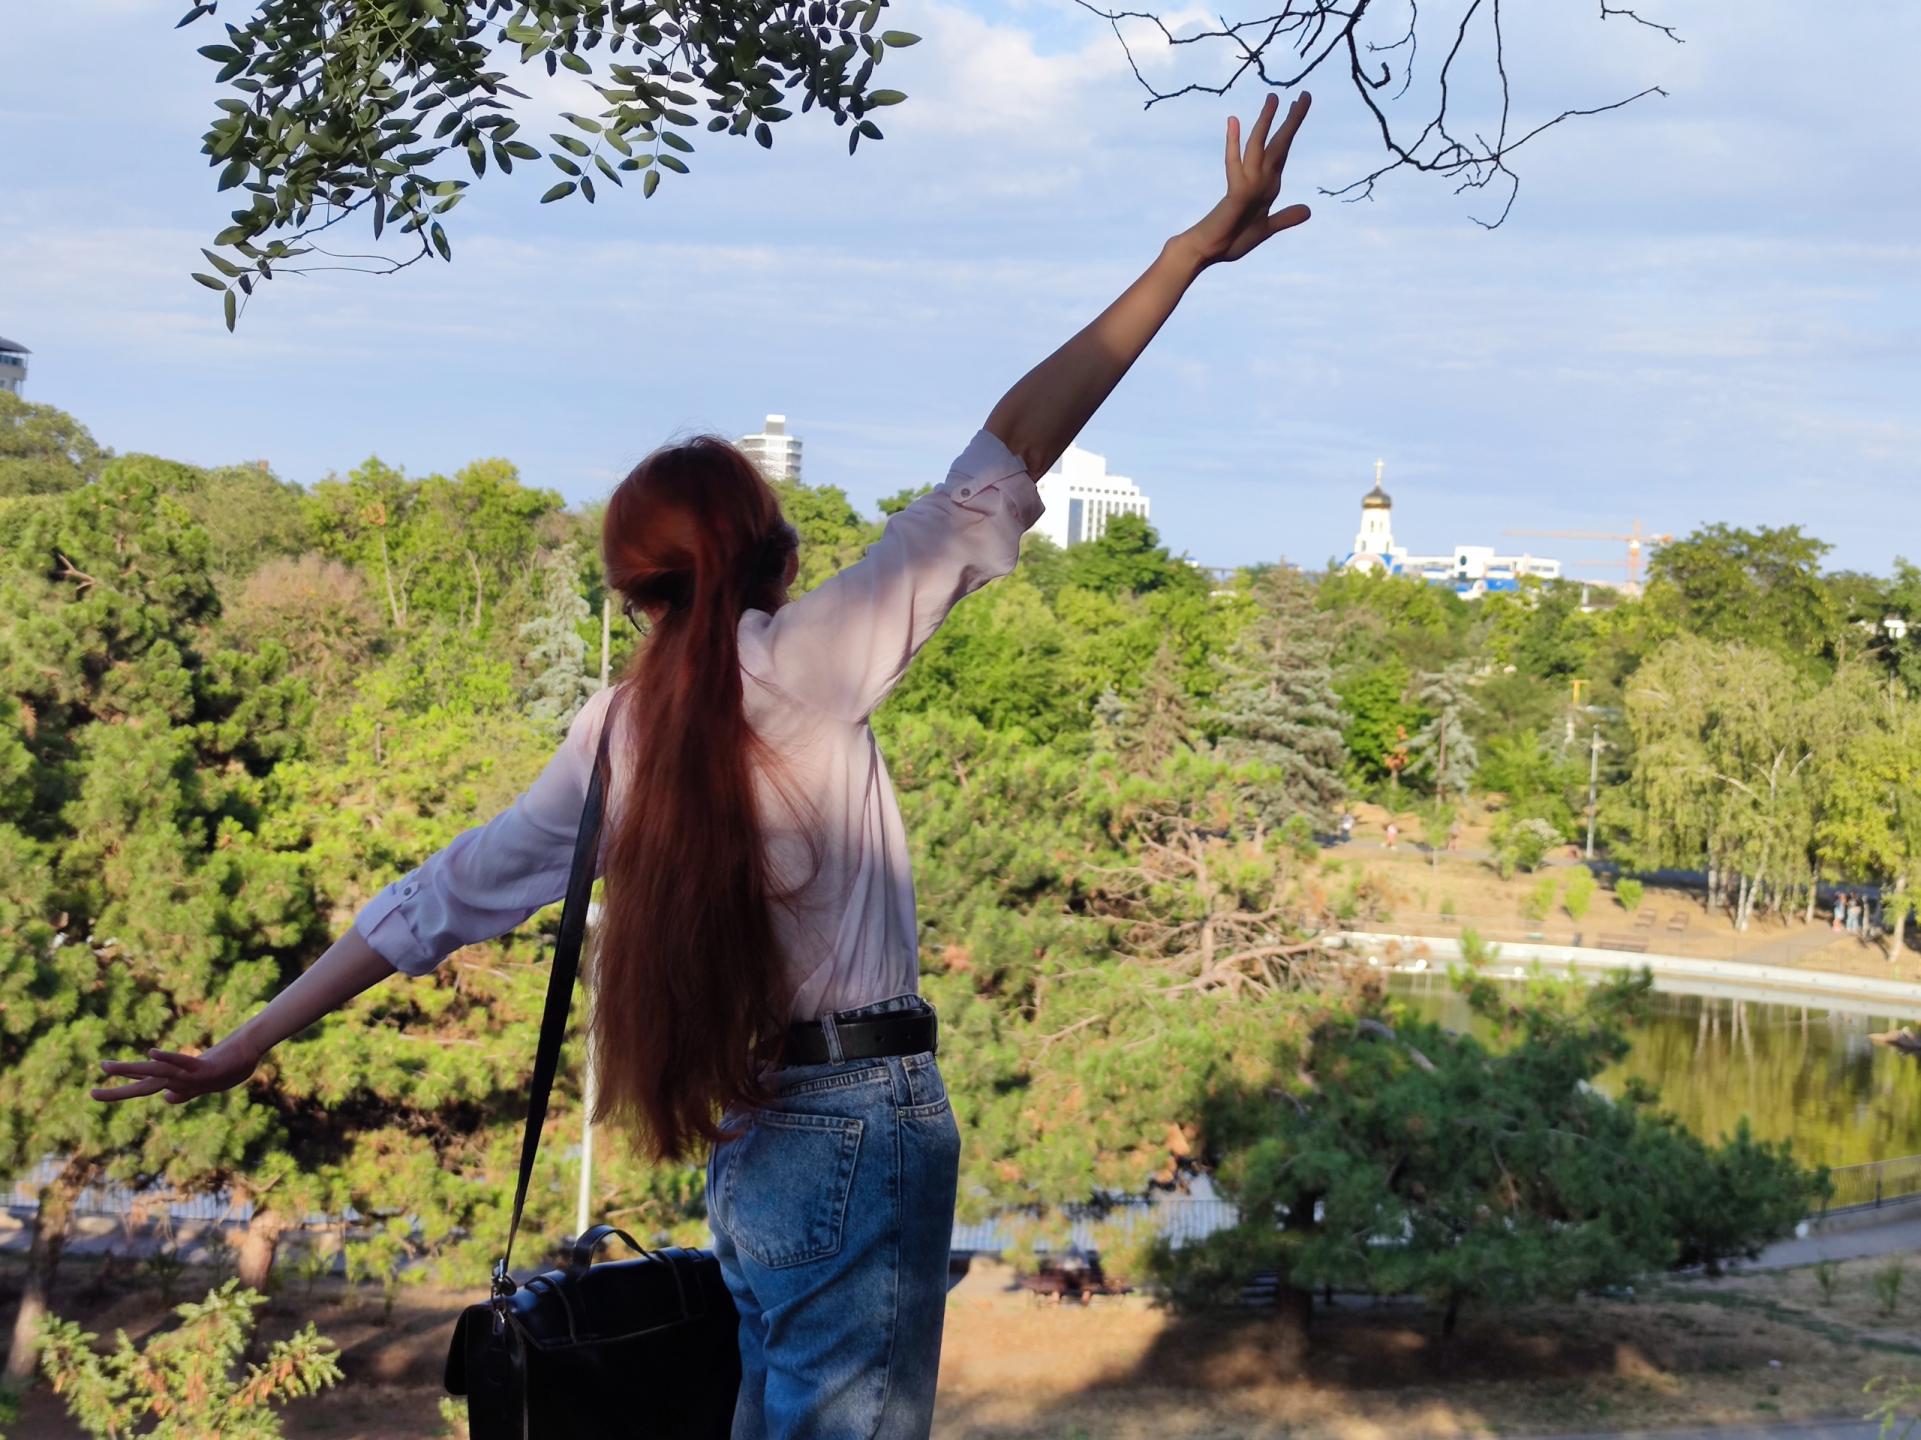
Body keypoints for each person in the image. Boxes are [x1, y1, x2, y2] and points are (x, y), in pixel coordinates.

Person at [91, 91, 1319, 1437]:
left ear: (633, 591)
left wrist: (248, 1043)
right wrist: (1180, 261)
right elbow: (1013, 450)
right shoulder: (814, 659)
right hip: (859, 1118)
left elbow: (433, 902)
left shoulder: (612, 737)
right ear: (772, 556)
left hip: (753, 1137)